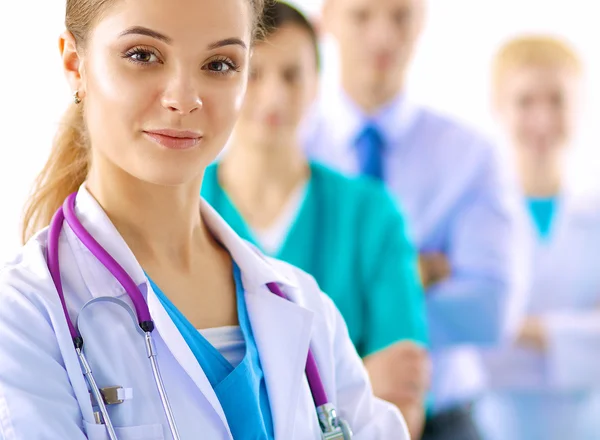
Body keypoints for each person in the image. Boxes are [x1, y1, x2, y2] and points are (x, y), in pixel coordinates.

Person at [0, 0, 411, 438]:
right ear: (74, 64)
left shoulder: (303, 307)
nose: (184, 98)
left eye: (219, 64)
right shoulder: (25, 317)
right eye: (142, 55)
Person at [201, 1, 430, 436]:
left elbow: (401, 403)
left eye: (292, 75)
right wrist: (350, 383)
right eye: (252, 73)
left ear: (316, 84)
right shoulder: (184, 205)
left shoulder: (370, 214)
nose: (274, 96)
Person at [302, 0, 527, 438]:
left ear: (423, 19)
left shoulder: (471, 155)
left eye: (401, 15)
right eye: (363, 15)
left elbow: (492, 309)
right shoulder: (289, 152)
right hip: (316, 418)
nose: (384, 36)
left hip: (444, 417)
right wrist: (415, 272)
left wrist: (339, 297)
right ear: (326, 20)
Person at [474, 35, 600, 440]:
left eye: (557, 100)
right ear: (498, 107)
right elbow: (470, 343)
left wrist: (514, 330)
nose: (542, 119)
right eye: (526, 102)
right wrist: (572, 337)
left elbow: (490, 329)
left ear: (579, 107)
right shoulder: (475, 215)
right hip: (490, 425)